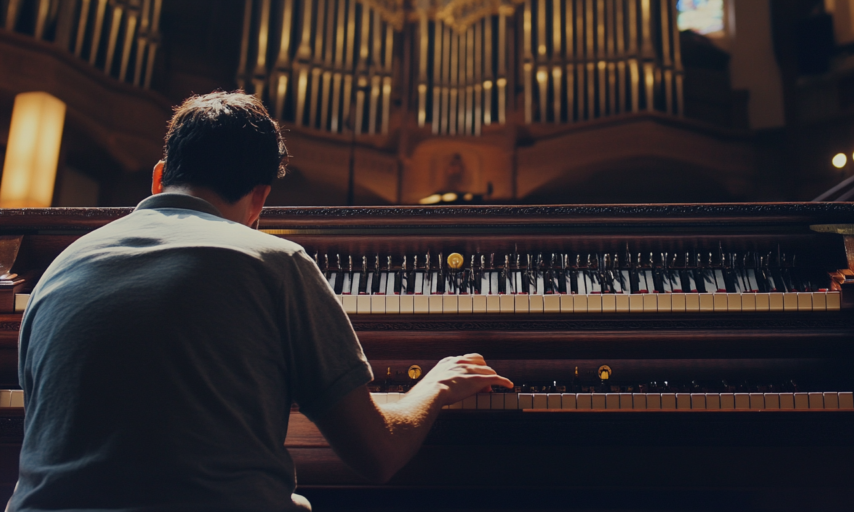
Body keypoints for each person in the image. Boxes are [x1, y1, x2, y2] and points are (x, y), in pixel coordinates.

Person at [9, 91, 512, 512]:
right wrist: (435, 387)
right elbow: (376, 454)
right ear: (260, 199)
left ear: (160, 176)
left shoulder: (58, 268)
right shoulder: (274, 260)